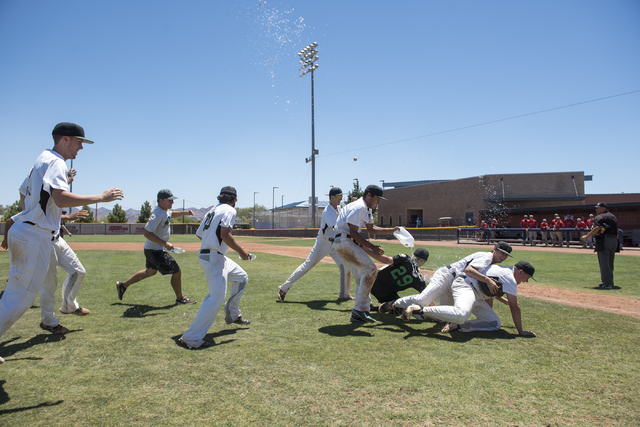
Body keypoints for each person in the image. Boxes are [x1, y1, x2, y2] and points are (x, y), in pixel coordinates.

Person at [0, 122, 123, 364]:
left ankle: (52, 318)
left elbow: (28, 196)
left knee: (24, 292)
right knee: (20, 297)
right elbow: (60, 197)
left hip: (32, 232)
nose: (81, 148)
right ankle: (53, 317)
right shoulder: (56, 161)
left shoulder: (42, 159)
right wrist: (101, 197)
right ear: (65, 139)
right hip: (34, 235)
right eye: (79, 142)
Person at [179, 187, 252, 349]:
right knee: (217, 297)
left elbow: (199, 233)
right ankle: (191, 338)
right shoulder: (229, 210)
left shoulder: (212, 210)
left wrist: (211, 240)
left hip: (213, 256)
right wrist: (241, 251)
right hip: (214, 258)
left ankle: (233, 314)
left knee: (241, 277)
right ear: (234, 199)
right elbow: (225, 234)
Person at [404, 261, 537, 337]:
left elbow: (491, 292)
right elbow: (515, 307)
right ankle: (420, 310)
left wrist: (502, 301)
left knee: (494, 323)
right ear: (521, 272)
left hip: (476, 294)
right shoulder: (510, 278)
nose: (526, 281)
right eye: (527, 278)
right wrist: (521, 332)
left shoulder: (504, 271)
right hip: (465, 287)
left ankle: (458, 324)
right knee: (462, 313)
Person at [380, 242, 513, 317]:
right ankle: (392, 304)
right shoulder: (486, 257)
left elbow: (482, 285)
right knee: (422, 300)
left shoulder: (490, 263)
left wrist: (501, 298)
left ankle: (412, 310)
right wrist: (489, 280)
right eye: (502, 252)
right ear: (495, 249)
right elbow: (469, 270)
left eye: (506, 255)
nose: (504, 256)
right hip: (446, 277)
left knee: (443, 317)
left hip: (456, 285)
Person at [116, 189, 196, 305]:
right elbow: (147, 233)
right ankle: (180, 299)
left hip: (151, 249)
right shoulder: (157, 214)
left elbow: (171, 214)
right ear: (161, 200)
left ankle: (123, 285)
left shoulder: (165, 211)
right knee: (177, 271)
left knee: (150, 272)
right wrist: (164, 243)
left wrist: (184, 213)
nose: (172, 203)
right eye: (169, 200)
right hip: (155, 250)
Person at [333, 185, 399, 323]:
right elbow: (354, 232)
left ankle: (363, 307)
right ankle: (359, 310)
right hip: (344, 242)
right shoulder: (359, 207)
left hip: (345, 242)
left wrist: (392, 230)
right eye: (377, 198)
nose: (378, 202)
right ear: (369, 195)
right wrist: (372, 247)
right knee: (370, 269)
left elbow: (371, 228)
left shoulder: (367, 209)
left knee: (361, 274)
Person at [277, 187, 351, 302]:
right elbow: (338, 227)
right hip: (323, 243)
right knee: (307, 265)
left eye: (342, 197)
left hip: (334, 244)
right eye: (339, 197)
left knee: (345, 266)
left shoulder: (338, 208)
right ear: (332, 197)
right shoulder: (328, 211)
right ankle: (283, 288)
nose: (341, 199)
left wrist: (351, 206)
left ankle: (344, 294)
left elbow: (344, 218)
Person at [580, 202, 619, 290]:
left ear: (604, 208)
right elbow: (617, 231)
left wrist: (586, 237)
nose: (596, 209)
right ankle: (609, 281)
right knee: (610, 262)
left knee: (604, 263)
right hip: (613, 240)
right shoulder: (613, 217)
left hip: (604, 240)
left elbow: (597, 228)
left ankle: (607, 284)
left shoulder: (599, 217)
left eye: (598, 208)